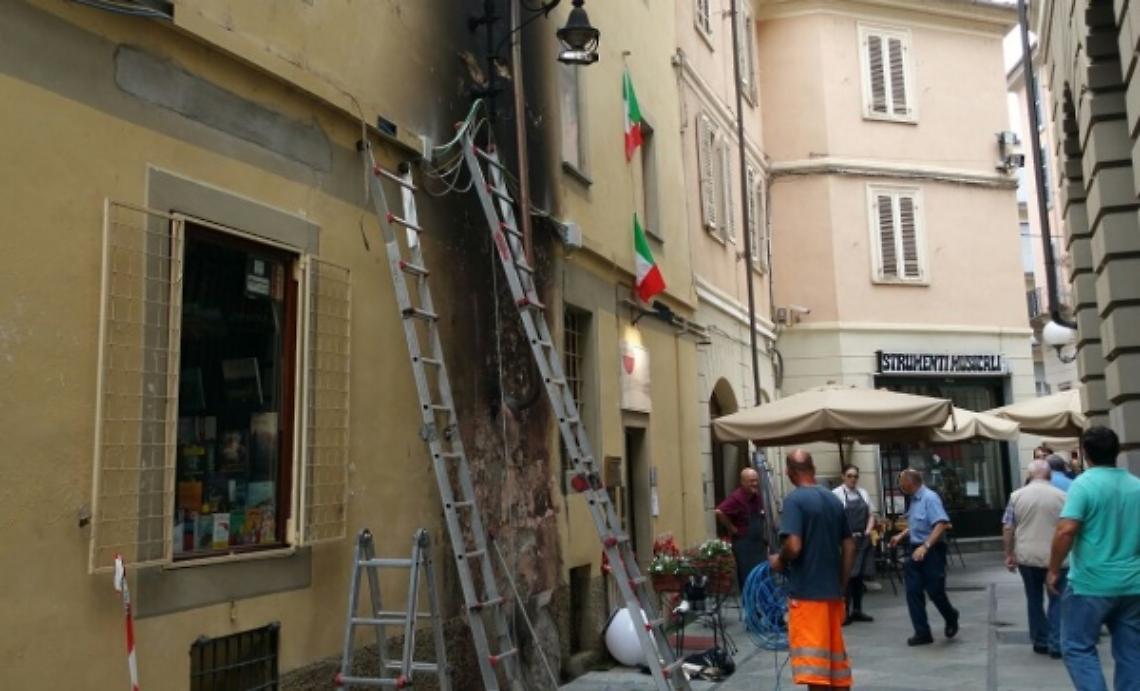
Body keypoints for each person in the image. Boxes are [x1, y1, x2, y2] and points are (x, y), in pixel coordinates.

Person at [1047, 426, 1140, 690]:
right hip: (1133, 584)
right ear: (1118, 451)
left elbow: (1066, 529)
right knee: (1131, 652)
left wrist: (1053, 569)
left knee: (1078, 647)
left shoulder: (1084, 484)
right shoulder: (1136, 486)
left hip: (1091, 583)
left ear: (1085, 453)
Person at [768, 449, 855, 689]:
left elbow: (793, 546)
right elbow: (849, 546)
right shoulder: (833, 500)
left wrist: (780, 560)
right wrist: (842, 585)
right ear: (813, 469)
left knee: (814, 669)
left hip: (807, 596)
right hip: (832, 595)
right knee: (836, 668)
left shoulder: (795, 500)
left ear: (789, 472)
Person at [1002, 459, 1067, 658]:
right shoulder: (1064, 496)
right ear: (1049, 475)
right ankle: (1057, 643)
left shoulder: (1016, 496)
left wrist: (1009, 553)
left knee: (1034, 598)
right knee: (1057, 599)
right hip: (1059, 557)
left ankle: (1040, 640)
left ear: (1030, 476)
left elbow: (1008, 527)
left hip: (1028, 557)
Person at [889, 468, 960, 646]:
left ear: (910, 482)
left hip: (932, 550)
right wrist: (902, 535)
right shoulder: (914, 500)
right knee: (913, 591)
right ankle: (922, 633)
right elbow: (916, 522)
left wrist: (926, 546)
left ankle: (951, 616)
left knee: (935, 591)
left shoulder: (930, 498)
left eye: (901, 481)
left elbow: (941, 524)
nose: (899, 485)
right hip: (915, 549)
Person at [831, 464, 876, 625]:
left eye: (855, 476)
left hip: (863, 539)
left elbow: (871, 514)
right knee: (847, 576)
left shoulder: (863, 493)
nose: (853, 479)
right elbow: (832, 519)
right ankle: (845, 611)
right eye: (849, 476)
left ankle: (858, 609)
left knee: (859, 576)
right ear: (843, 476)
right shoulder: (835, 494)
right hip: (846, 541)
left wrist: (868, 530)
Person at [715, 467, 768, 590]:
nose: (755, 484)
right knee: (748, 577)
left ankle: (761, 604)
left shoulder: (757, 496)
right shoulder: (736, 497)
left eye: (756, 480)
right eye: (751, 481)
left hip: (759, 544)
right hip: (744, 544)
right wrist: (732, 528)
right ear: (743, 482)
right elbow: (719, 511)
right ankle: (749, 605)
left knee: (762, 576)